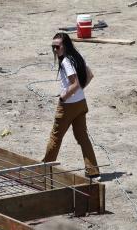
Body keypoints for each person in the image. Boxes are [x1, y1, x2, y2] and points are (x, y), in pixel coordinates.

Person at [43, 32, 100, 179]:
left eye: (57, 47)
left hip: (68, 106)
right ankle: (93, 171)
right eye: (53, 47)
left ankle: (44, 170)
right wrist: (79, 91)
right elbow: (90, 75)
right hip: (81, 104)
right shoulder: (77, 56)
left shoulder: (66, 62)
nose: (55, 50)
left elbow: (74, 84)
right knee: (82, 137)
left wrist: (63, 98)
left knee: (55, 137)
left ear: (65, 45)